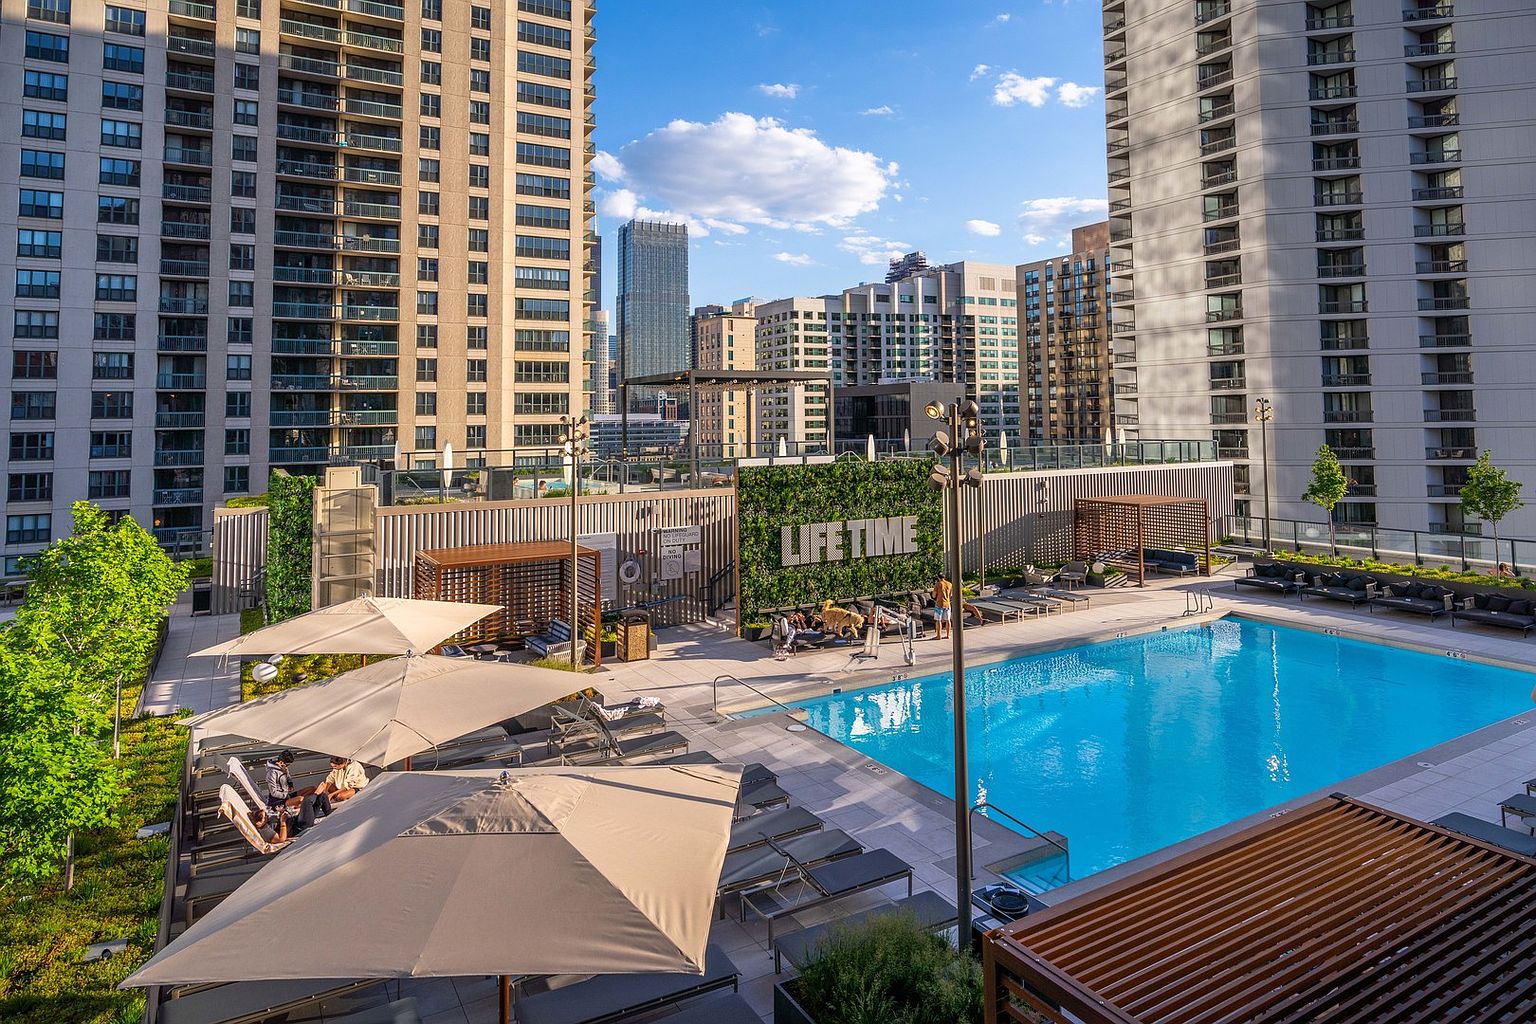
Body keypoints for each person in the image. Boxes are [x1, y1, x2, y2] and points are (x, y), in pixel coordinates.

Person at [265, 750, 331, 830]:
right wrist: (287, 796)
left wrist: (290, 784)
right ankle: (308, 805)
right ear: (281, 762)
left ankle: (312, 807)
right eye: (287, 764)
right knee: (301, 800)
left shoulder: (283, 767)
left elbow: (288, 777)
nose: (287, 767)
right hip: (278, 801)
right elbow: (273, 793)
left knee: (312, 789)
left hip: (287, 794)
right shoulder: (272, 773)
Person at [932, 573, 953, 640]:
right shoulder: (949, 584)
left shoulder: (938, 584)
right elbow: (951, 595)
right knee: (948, 620)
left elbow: (934, 595)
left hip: (939, 604)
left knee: (938, 620)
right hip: (947, 604)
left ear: (938, 577)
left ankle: (939, 636)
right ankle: (948, 635)